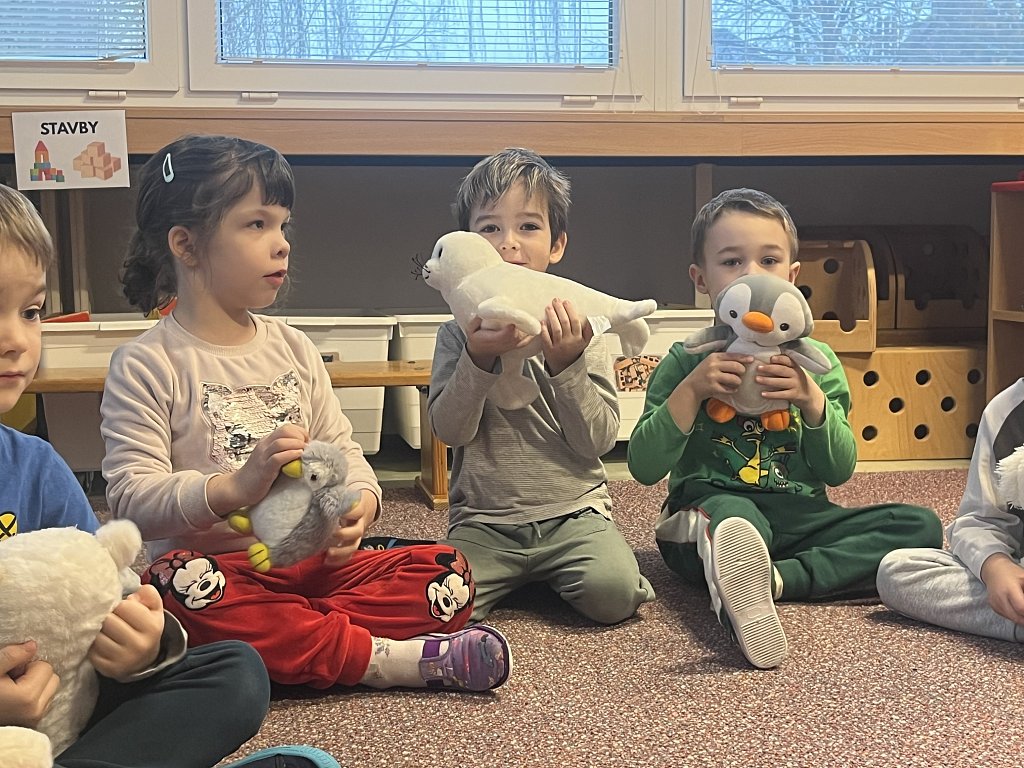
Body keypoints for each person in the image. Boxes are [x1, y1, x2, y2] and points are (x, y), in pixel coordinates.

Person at [99, 135, 510, 695]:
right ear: (186, 245)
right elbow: (130, 501)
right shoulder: (146, 363)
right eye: (256, 224)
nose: (281, 244)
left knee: (448, 572)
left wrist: (360, 505)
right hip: (221, 574)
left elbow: (347, 454)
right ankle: (382, 658)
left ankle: (297, 641)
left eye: (283, 225)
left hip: (315, 568)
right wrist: (232, 488)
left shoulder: (293, 347)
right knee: (168, 588)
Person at [0, 182, 348, 768]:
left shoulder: (37, 469)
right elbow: (137, 497)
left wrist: (144, 646)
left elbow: (109, 591)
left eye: (30, 312)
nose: (15, 340)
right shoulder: (149, 362)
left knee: (234, 672)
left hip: (59, 714)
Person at [626, 187, 942, 669]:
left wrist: (811, 400)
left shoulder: (817, 363)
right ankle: (738, 560)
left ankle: (773, 580)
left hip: (799, 517)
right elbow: (644, 468)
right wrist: (691, 392)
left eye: (769, 260)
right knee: (734, 518)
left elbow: (838, 470)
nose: (752, 274)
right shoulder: (687, 360)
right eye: (731, 262)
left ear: (793, 276)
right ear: (701, 279)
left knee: (919, 527)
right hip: (709, 511)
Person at [425, 146, 655, 623]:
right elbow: (450, 431)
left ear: (557, 245)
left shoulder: (582, 329)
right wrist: (478, 357)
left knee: (613, 595)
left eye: (528, 226)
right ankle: (525, 577)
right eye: (489, 229)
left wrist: (566, 363)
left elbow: (597, 440)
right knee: (438, 606)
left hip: (575, 515)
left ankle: (573, 571)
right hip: (484, 523)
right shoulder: (456, 334)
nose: (508, 244)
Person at [877, 380, 1024, 642]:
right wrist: (996, 567)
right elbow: (981, 520)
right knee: (897, 570)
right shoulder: (1006, 410)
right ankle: (1014, 611)